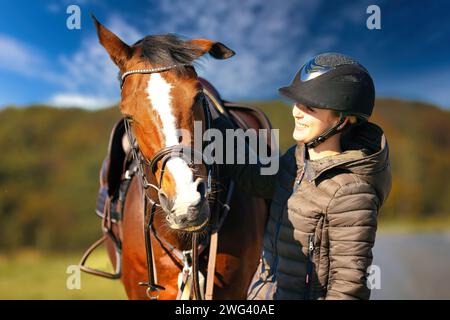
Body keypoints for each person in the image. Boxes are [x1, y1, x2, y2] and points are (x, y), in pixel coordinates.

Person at [222, 52, 392, 300]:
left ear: (342, 120)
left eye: (309, 107)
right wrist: (217, 126)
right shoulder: (296, 160)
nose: (296, 113)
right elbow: (255, 180)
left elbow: (349, 289)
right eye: (296, 103)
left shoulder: (353, 193)